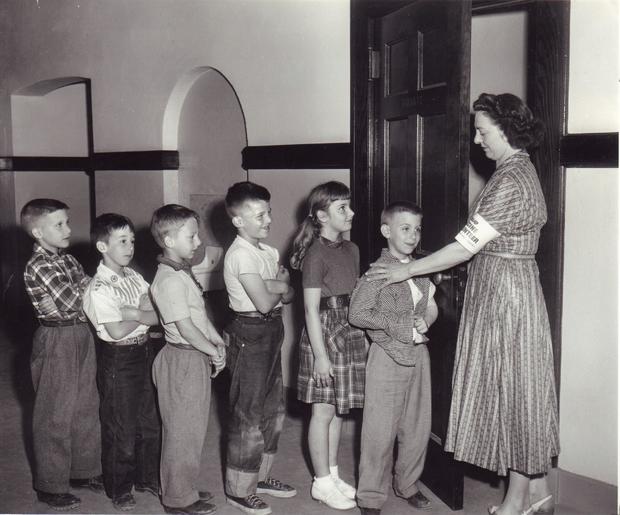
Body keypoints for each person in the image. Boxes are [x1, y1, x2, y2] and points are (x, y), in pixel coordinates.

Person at [366, 93, 560, 515]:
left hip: (506, 294)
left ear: (507, 130)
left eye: (483, 131)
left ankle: (515, 502)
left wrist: (407, 271)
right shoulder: (518, 170)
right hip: (510, 286)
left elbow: (462, 248)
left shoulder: (510, 180)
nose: (476, 139)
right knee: (519, 385)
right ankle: (536, 490)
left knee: (513, 390)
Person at [349, 201, 438, 515]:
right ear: (387, 231)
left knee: (416, 426)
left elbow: (429, 303)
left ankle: (407, 484)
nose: (413, 235)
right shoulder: (379, 271)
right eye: (405, 228)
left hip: (419, 354)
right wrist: (397, 324)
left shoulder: (421, 269)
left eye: (417, 228)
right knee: (379, 431)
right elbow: (357, 313)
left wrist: (428, 316)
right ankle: (371, 497)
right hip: (387, 355)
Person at [21, 198, 103, 511]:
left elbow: (86, 286)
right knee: (54, 412)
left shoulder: (67, 260)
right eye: (59, 225)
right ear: (37, 231)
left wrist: (97, 284)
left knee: (86, 404)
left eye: (67, 222)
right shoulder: (38, 264)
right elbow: (72, 299)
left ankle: (83, 471)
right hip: (55, 337)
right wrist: (102, 281)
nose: (68, 229)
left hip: (81, 333)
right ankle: (50, 485)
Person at [289, 181, 366, 511]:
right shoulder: (315, 254)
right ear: (322, 215)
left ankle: (332, 474)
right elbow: (309, 308)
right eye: (342, 209)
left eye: (349, 206)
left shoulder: (352, 249)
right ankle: (320, 482)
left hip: (349, 331)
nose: (351, 213)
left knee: (337, 410)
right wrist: (320, 357)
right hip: (324, 334)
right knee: (321, 412)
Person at [223, 181, 296, 515]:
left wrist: (276, 286)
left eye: (268, 211)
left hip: (272, 330)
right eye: (260, 214)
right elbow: (267, 302)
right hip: (249, 331)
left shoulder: (268, 252)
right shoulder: (239, 254)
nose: (268, 219)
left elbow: (286, 295)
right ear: (238, 220)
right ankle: (239, 490)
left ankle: (261, 477)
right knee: (247, 415)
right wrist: (278, 285)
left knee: (273, 410)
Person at [149, 204, 226, 515]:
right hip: (181, 359)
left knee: (193, 429)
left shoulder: (183, 272)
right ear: (169, 240)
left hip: (193, 356)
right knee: (180, 431)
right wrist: (212, 350)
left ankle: (183, 486)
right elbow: (185, 328)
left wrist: (217, 340)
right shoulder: (167, 279)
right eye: (192, 236)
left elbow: (198, 315)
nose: (198, 242)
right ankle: (177, 499)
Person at [82, 213, 161, 511]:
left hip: (144, 351)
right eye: (122, 241)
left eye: (132, 240)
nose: (130, 247)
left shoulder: (135, 276)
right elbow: (114, 330)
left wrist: (136, 313)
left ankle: (146, 477)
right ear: (102, 246)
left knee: (149, 421)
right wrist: (143, 314)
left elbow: (158, 312)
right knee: (121, 427)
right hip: (119, 359)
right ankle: (119, 487)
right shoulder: (99, 287)